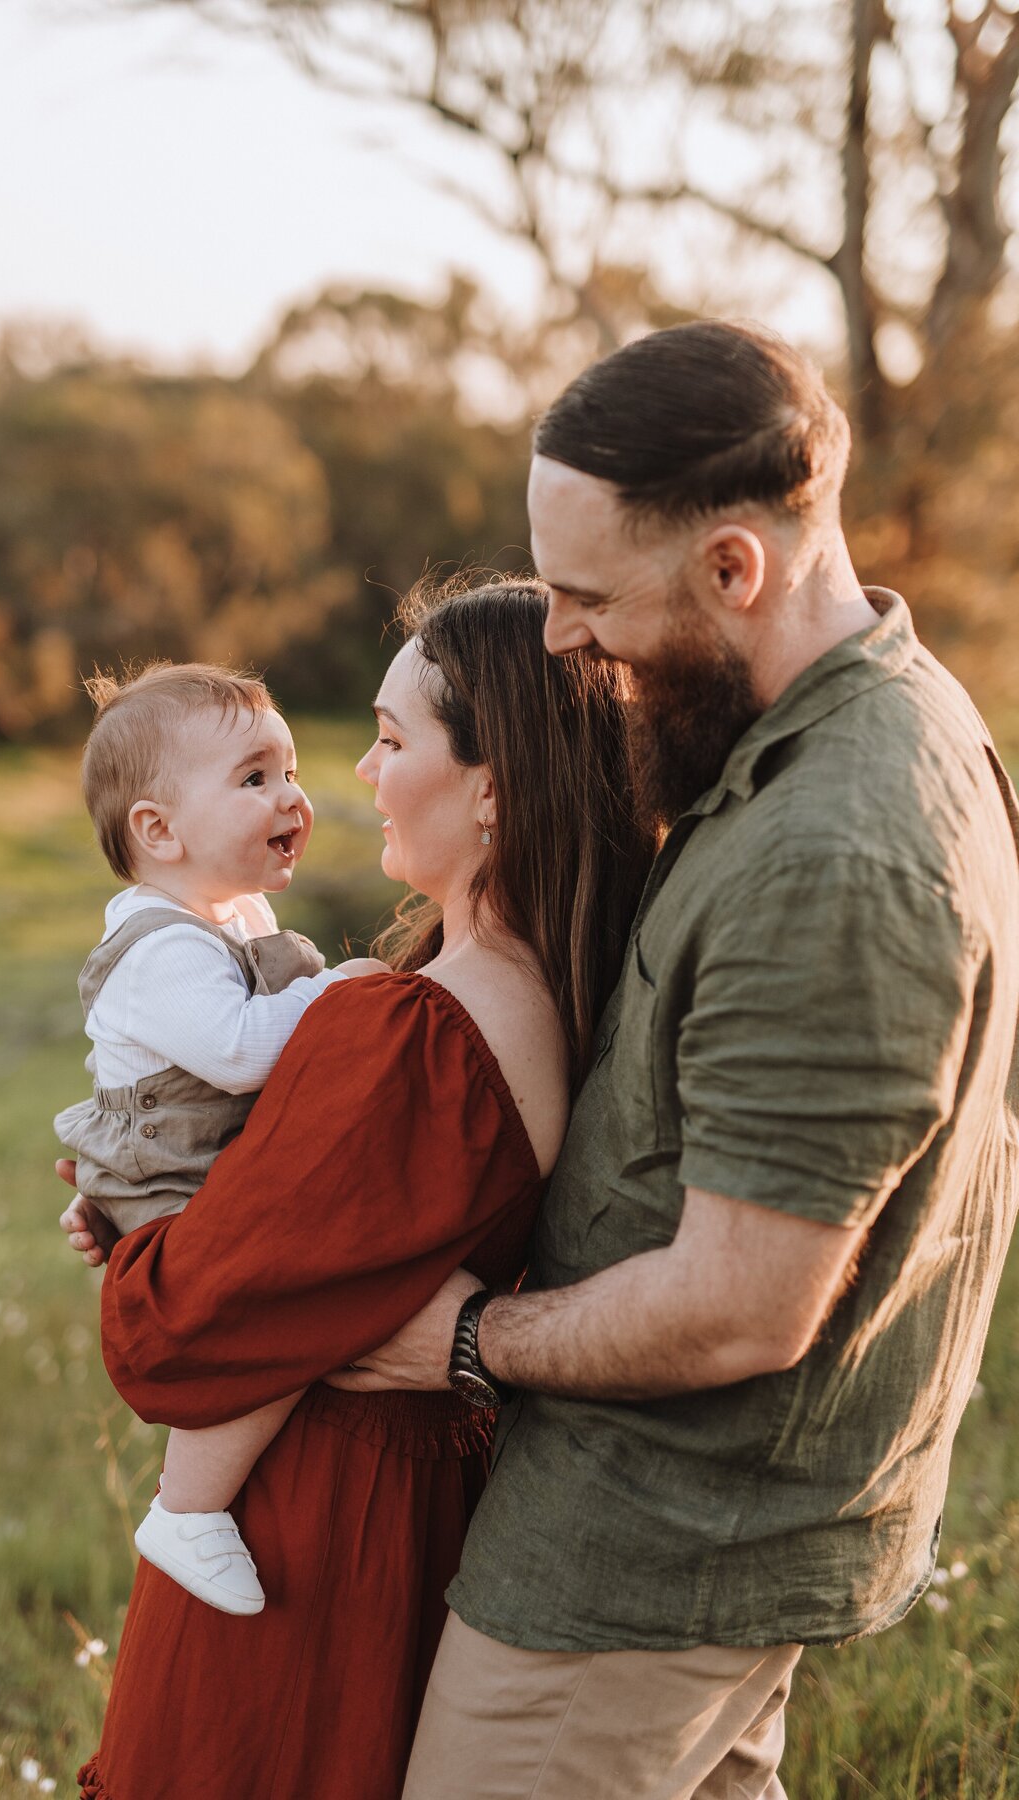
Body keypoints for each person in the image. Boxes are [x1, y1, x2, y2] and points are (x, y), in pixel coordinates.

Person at [333, 322, 1019, 1800]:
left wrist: (461, 1342)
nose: (563, 638)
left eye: (587, 598)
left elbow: (738, 1311)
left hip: (649, 1546)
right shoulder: (816, 728)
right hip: (683, 1527)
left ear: (732, 570)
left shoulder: (838, 851)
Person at [60, 580, 656, 1800]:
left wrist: (140, 1249)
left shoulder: (410, 1035)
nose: (356, 777)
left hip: (310, 1538)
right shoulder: (537, 990)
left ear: (494, 789)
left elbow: (169, 1340)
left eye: (391, 742)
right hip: (409, 1499)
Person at [54, 661, 387, 1616]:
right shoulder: (158, 948)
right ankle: (186, 1507)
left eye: (289, 771)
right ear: (158, 831)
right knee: (275, 1312)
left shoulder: (235, 916)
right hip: (172, 1180)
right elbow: (243, 1056)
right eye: (254, 779)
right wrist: (344, 985)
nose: (292, 796)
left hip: (186, 1163)